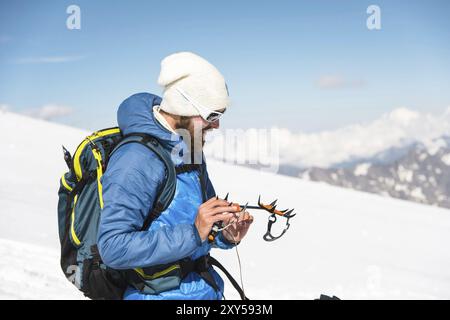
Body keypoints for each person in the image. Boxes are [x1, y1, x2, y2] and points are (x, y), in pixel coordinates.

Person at [97, 52, 253, 300]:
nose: (217, 126)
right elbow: (113, 247)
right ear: (186, 106)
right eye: (213, 116)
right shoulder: (136, 160)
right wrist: (193, 232)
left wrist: (224, 234)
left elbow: (202, 226)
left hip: (203, 291)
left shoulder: (190, 148)